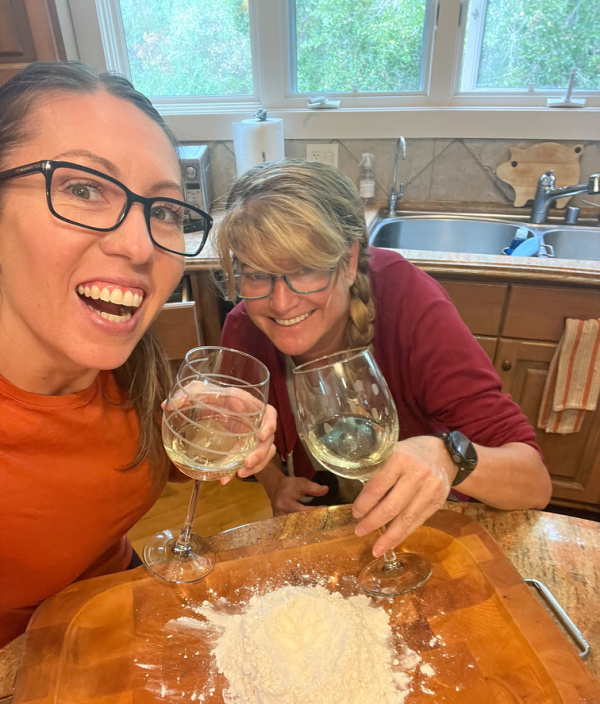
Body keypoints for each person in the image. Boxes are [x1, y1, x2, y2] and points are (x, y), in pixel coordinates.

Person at [0, 62, 276, 648]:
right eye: (82, 188)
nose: (137, 243)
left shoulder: (128, 367)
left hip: (112, 616)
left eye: (166, 212)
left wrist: (192, 432)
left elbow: (96, 473)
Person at [217, 159, 552, 558]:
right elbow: (248, 433)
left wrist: (447, 458)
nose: (281, 302)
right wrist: (275, 482)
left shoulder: (406, 298)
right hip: (335, 539)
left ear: (350, 259)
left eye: (305, 269)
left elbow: (534, 484)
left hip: (431, 536)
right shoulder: (244, 326)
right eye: (256, 274)